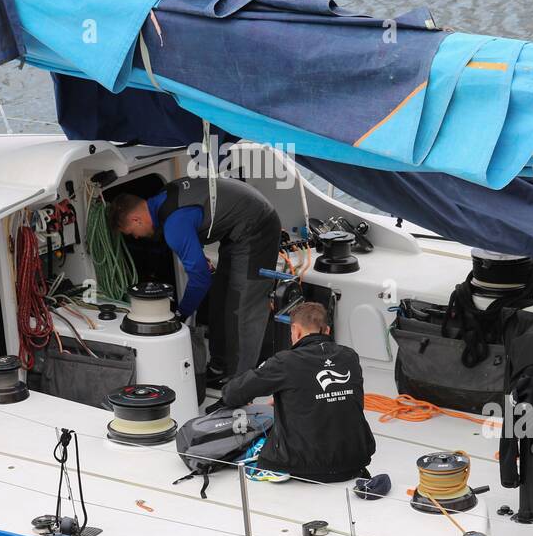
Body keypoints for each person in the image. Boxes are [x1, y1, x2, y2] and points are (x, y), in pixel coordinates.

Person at [113, 175, 281, 384]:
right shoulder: (163, 198)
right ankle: (220, 367)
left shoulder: (174, 226)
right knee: (221, 298)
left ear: (135, 219)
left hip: (258, 225)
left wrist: (181, 313)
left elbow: (201, 279)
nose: (136, 238)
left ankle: (241, 385)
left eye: (131, 233)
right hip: (237, 228)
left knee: (241, 306)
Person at [217, 301, 375, 484]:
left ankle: (269, 469)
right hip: (354, 463)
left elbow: (233, 394)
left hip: (302, 467)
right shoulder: (350, 357)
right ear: (328, 331)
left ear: (296, 330)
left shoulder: (285, 362)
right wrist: (288, 398)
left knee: (254, 437)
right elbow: (325, 395)